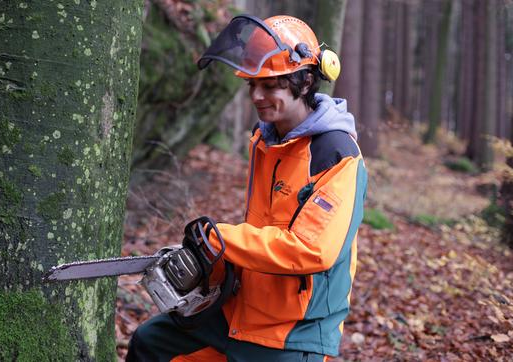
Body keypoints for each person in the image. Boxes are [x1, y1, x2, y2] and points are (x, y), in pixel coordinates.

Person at [126, 14, 367, 362]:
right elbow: (262, 228)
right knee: (151, 343)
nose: (256, 95)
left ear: (304, 82)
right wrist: (216, 265)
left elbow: (311, 250)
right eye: (252, 85)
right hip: (239, 310)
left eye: (270, 86)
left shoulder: (335, 153)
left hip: (295, 330)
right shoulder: (265, 139)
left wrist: (223, 240)